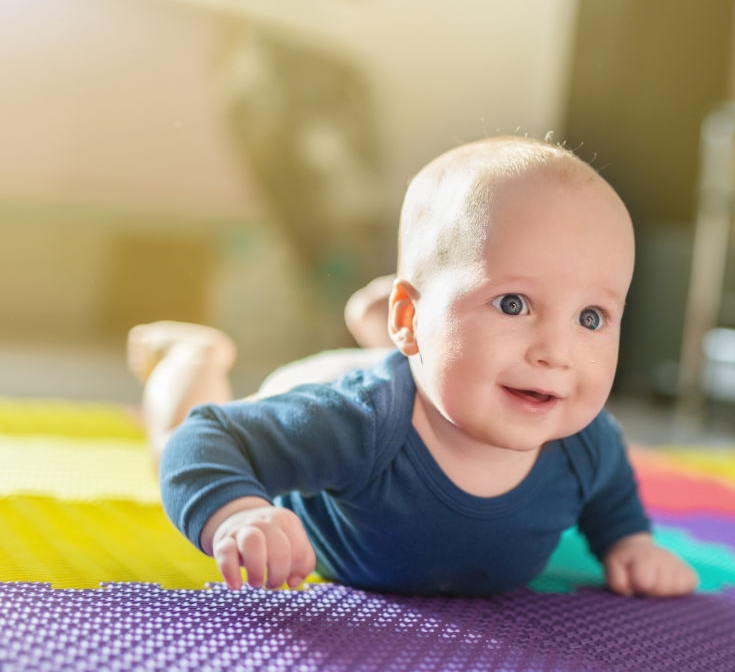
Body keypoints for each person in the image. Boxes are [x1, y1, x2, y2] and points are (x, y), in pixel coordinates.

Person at [130, 135, 698, 599]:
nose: (557, 351)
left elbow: (610, 488)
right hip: (323, 387)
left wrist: (628, 541)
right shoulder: (353, 423)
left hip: (426, 363)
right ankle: (192, 356)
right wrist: (235, 515)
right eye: (513, 304)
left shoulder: (584, 440)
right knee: (173, 439)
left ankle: (389, 326)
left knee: (451, 367)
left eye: (592, 318)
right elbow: (204, 439)